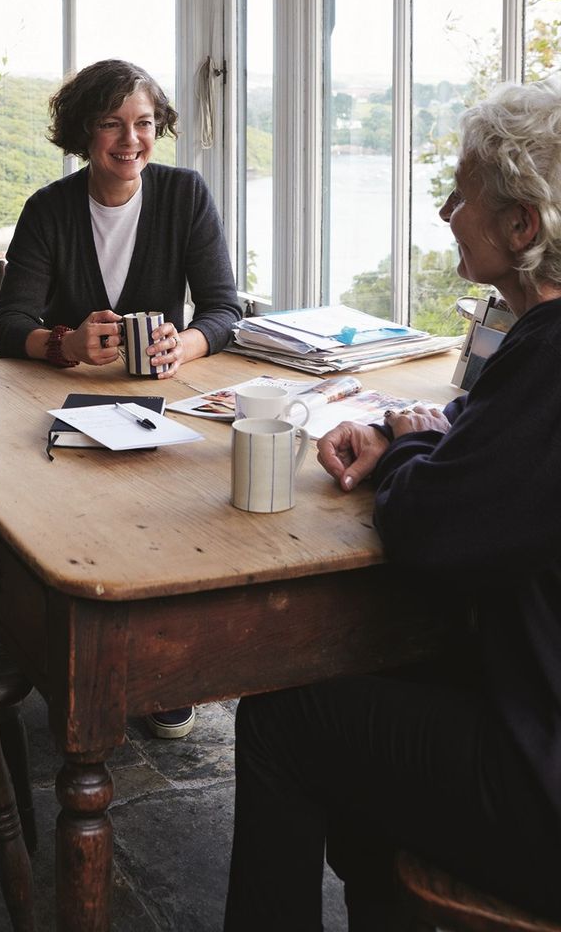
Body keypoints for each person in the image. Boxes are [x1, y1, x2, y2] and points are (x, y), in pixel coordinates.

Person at [222, 74, 561, 930]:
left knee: (285, 715)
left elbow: (424, 533)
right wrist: (429, 441)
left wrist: (410, 442)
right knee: (375, 688)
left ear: (522, 226)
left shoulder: (549, 359)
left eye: (462, 193)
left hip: (545, 793)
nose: (446, 210)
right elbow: (507, 480)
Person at [0, 58, 241, 738]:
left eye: (144, 124)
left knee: (178, 521)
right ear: (83, 133)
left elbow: (224, 310)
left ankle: (165, 674)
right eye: (111, 124)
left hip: (164, 401)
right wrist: (64, 344)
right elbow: (8, 325)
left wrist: (182, 346)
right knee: (84, 531)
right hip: (69, 406)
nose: (130, 140)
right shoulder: (49, 209)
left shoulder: (186, 195)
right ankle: (83, 660)